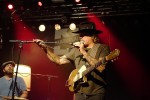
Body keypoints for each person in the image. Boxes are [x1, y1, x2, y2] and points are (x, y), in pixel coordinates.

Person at [33, 21, 111, 100]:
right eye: (80, 35)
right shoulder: (75, 50)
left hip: (96, 93)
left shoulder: (102, 48)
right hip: (79, 92)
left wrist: (83, 52)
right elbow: (58, 61)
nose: (80, 37)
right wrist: (45, 48)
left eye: (83, 34)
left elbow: (101, 67)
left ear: (92, 36)